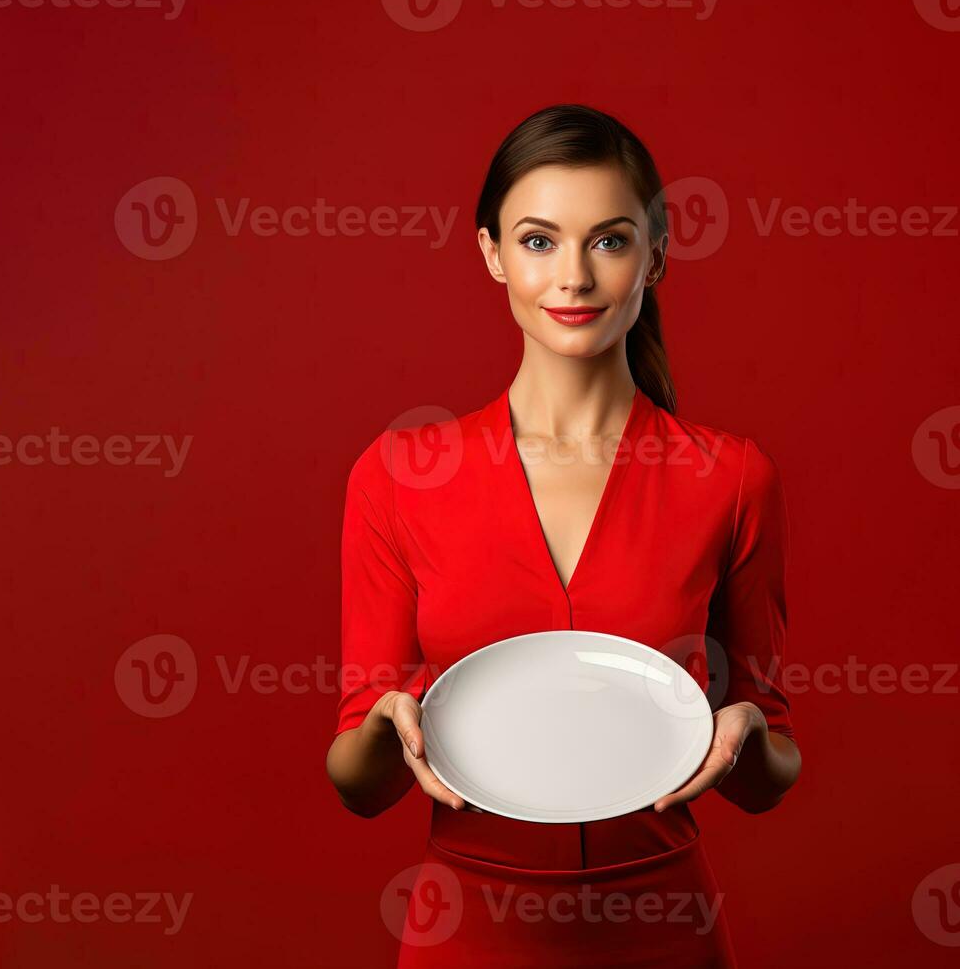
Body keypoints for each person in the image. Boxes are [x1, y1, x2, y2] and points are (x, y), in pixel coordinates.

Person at [325, 104, 802, 968]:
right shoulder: (399, 473)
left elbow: (771, 771)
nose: (573, 277)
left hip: (666, 925)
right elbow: (357, 784)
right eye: (539, 241)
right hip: (468, 928)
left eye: (609, 241)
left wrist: (746, 735)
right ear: (491, 254)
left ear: (654, 255)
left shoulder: (732, 477)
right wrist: (386, 728)